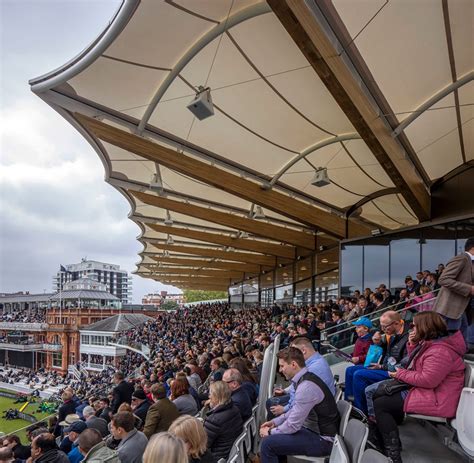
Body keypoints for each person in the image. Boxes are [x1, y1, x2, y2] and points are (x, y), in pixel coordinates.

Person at [373, 312, 466, 463]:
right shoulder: (432, 345)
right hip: (431, 392)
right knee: (380, 396)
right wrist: (413, 345)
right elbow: (418, 366)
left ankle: (393, 453)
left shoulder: (439, 350)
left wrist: (399, 374)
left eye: (414, 326)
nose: (411, 329)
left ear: (425, 327)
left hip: (438, 398)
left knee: (382, 403)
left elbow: (428, 380)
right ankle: (389, 442)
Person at [259, 347, 339, 463]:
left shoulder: (306, 387)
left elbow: (292, 426)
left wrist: (270, 432)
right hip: (314, 431)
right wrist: (275, 422)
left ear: (293, 364)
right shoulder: (304, 379)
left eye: (282, 366)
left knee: (268, 443)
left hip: (324, 440)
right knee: (273, 439)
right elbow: (294, 410)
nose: (280, 370)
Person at [345, 311, 410, 414]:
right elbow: (388, 352)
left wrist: (381, 366)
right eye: (381, 327)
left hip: (393, 372)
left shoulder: (408, 337)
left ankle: (361, 411)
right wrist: (378, 343)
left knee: (359, 375)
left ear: (396, 323)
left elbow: (404, 364)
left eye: (385, 327)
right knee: (350, 370)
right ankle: (349, 401)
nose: (383, 330)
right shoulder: (392, 333)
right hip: (385, 366)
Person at [433, 237, 474, 346]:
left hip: (461, 310)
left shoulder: (470, 262)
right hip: (449, 310)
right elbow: (443, 279)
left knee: (460, 344)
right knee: (448, 343)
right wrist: (469, 289)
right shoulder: (462, 258)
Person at [204, 381, 243, 460]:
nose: (209, 396)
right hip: (228, 452)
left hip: (216, 457)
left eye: (210, 394)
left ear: (217, 397)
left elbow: (203, 445)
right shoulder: (234, 408)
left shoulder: (214, 420)